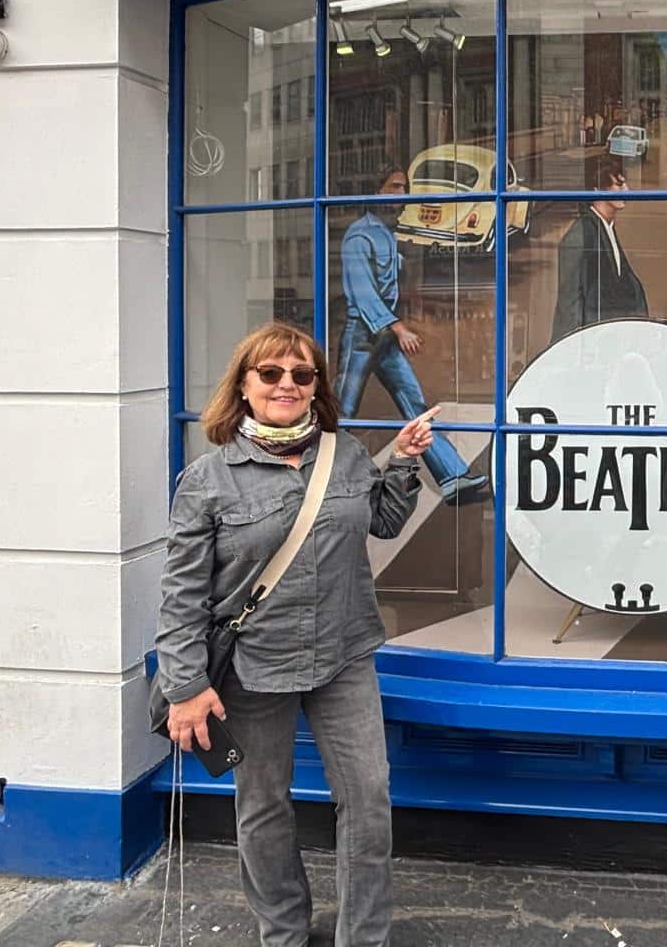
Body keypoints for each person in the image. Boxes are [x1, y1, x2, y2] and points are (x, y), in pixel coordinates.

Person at [158, 321, 441, 947]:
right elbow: (182, 595)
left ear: (316, 386)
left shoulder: (347, 455)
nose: (286, 384)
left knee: (369, 799)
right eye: (271, 373)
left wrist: (404, 461)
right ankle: (283, 931)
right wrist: (185, 686)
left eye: (301, 373)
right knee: (263, 806)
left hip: (343, 656)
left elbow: (384, 522)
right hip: (254, 667)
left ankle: (362, 937)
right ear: (244, 385)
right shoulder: (209, 480)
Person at [336, 162, 488, 505]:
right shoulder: (359, 236)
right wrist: (399, 327)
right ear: (375, 191)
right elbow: (363, 293)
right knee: (343, 411)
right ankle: (321, 478)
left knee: (415, 404)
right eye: (394, 187)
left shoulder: (387, 233)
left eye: (404, 187)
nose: (402, 194)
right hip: (362, 336)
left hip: (383, 338)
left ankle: (452, 477)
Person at [551, 158, 648, 342]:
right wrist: (571, 348)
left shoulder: (605, 228)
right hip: (592, 343)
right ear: (597, 189)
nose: (627, 190)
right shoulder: (580, 235)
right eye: (619, 185)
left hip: (610, 339)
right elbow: (569, 303)